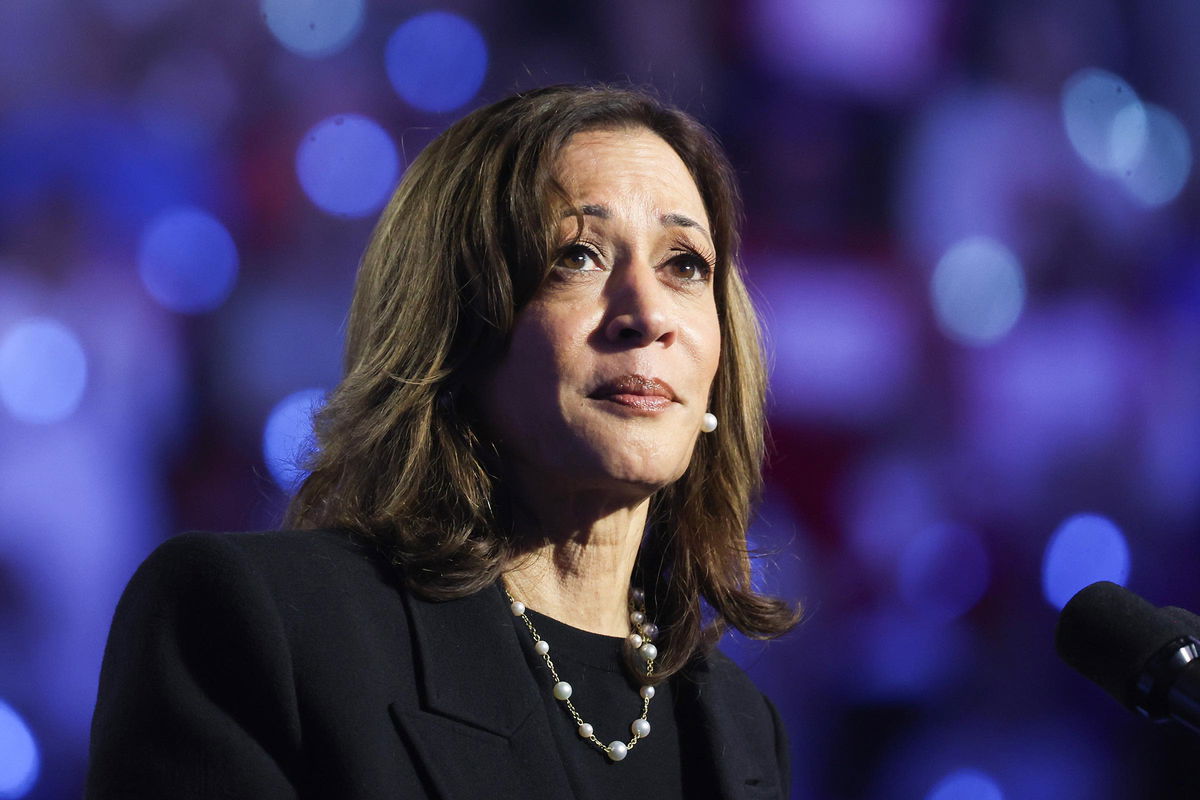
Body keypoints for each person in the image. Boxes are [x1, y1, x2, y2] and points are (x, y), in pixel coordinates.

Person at [86, 84, 799, 800]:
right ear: (455, 325)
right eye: (577, 256)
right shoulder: (256, 626)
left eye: (685, 264)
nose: (647, 314)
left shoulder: (739, 725)